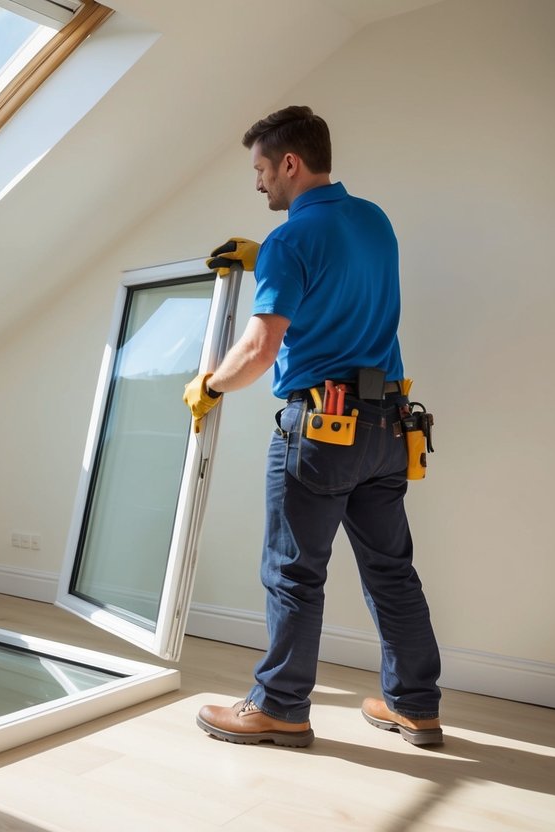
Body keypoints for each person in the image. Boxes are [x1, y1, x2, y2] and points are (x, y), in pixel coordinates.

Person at [182, 105, 442, 748]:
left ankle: (279, 707)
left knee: (294, 572)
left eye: (262, 169)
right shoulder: (375, 221)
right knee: (393, 572)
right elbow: (341, 284)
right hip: (388, 426)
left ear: (290, 163)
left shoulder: (290, 242)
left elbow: (258, 353)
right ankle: (416, 706)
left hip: (322, 430)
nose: (259, 182)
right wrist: (266, 255)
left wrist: (209, 385)